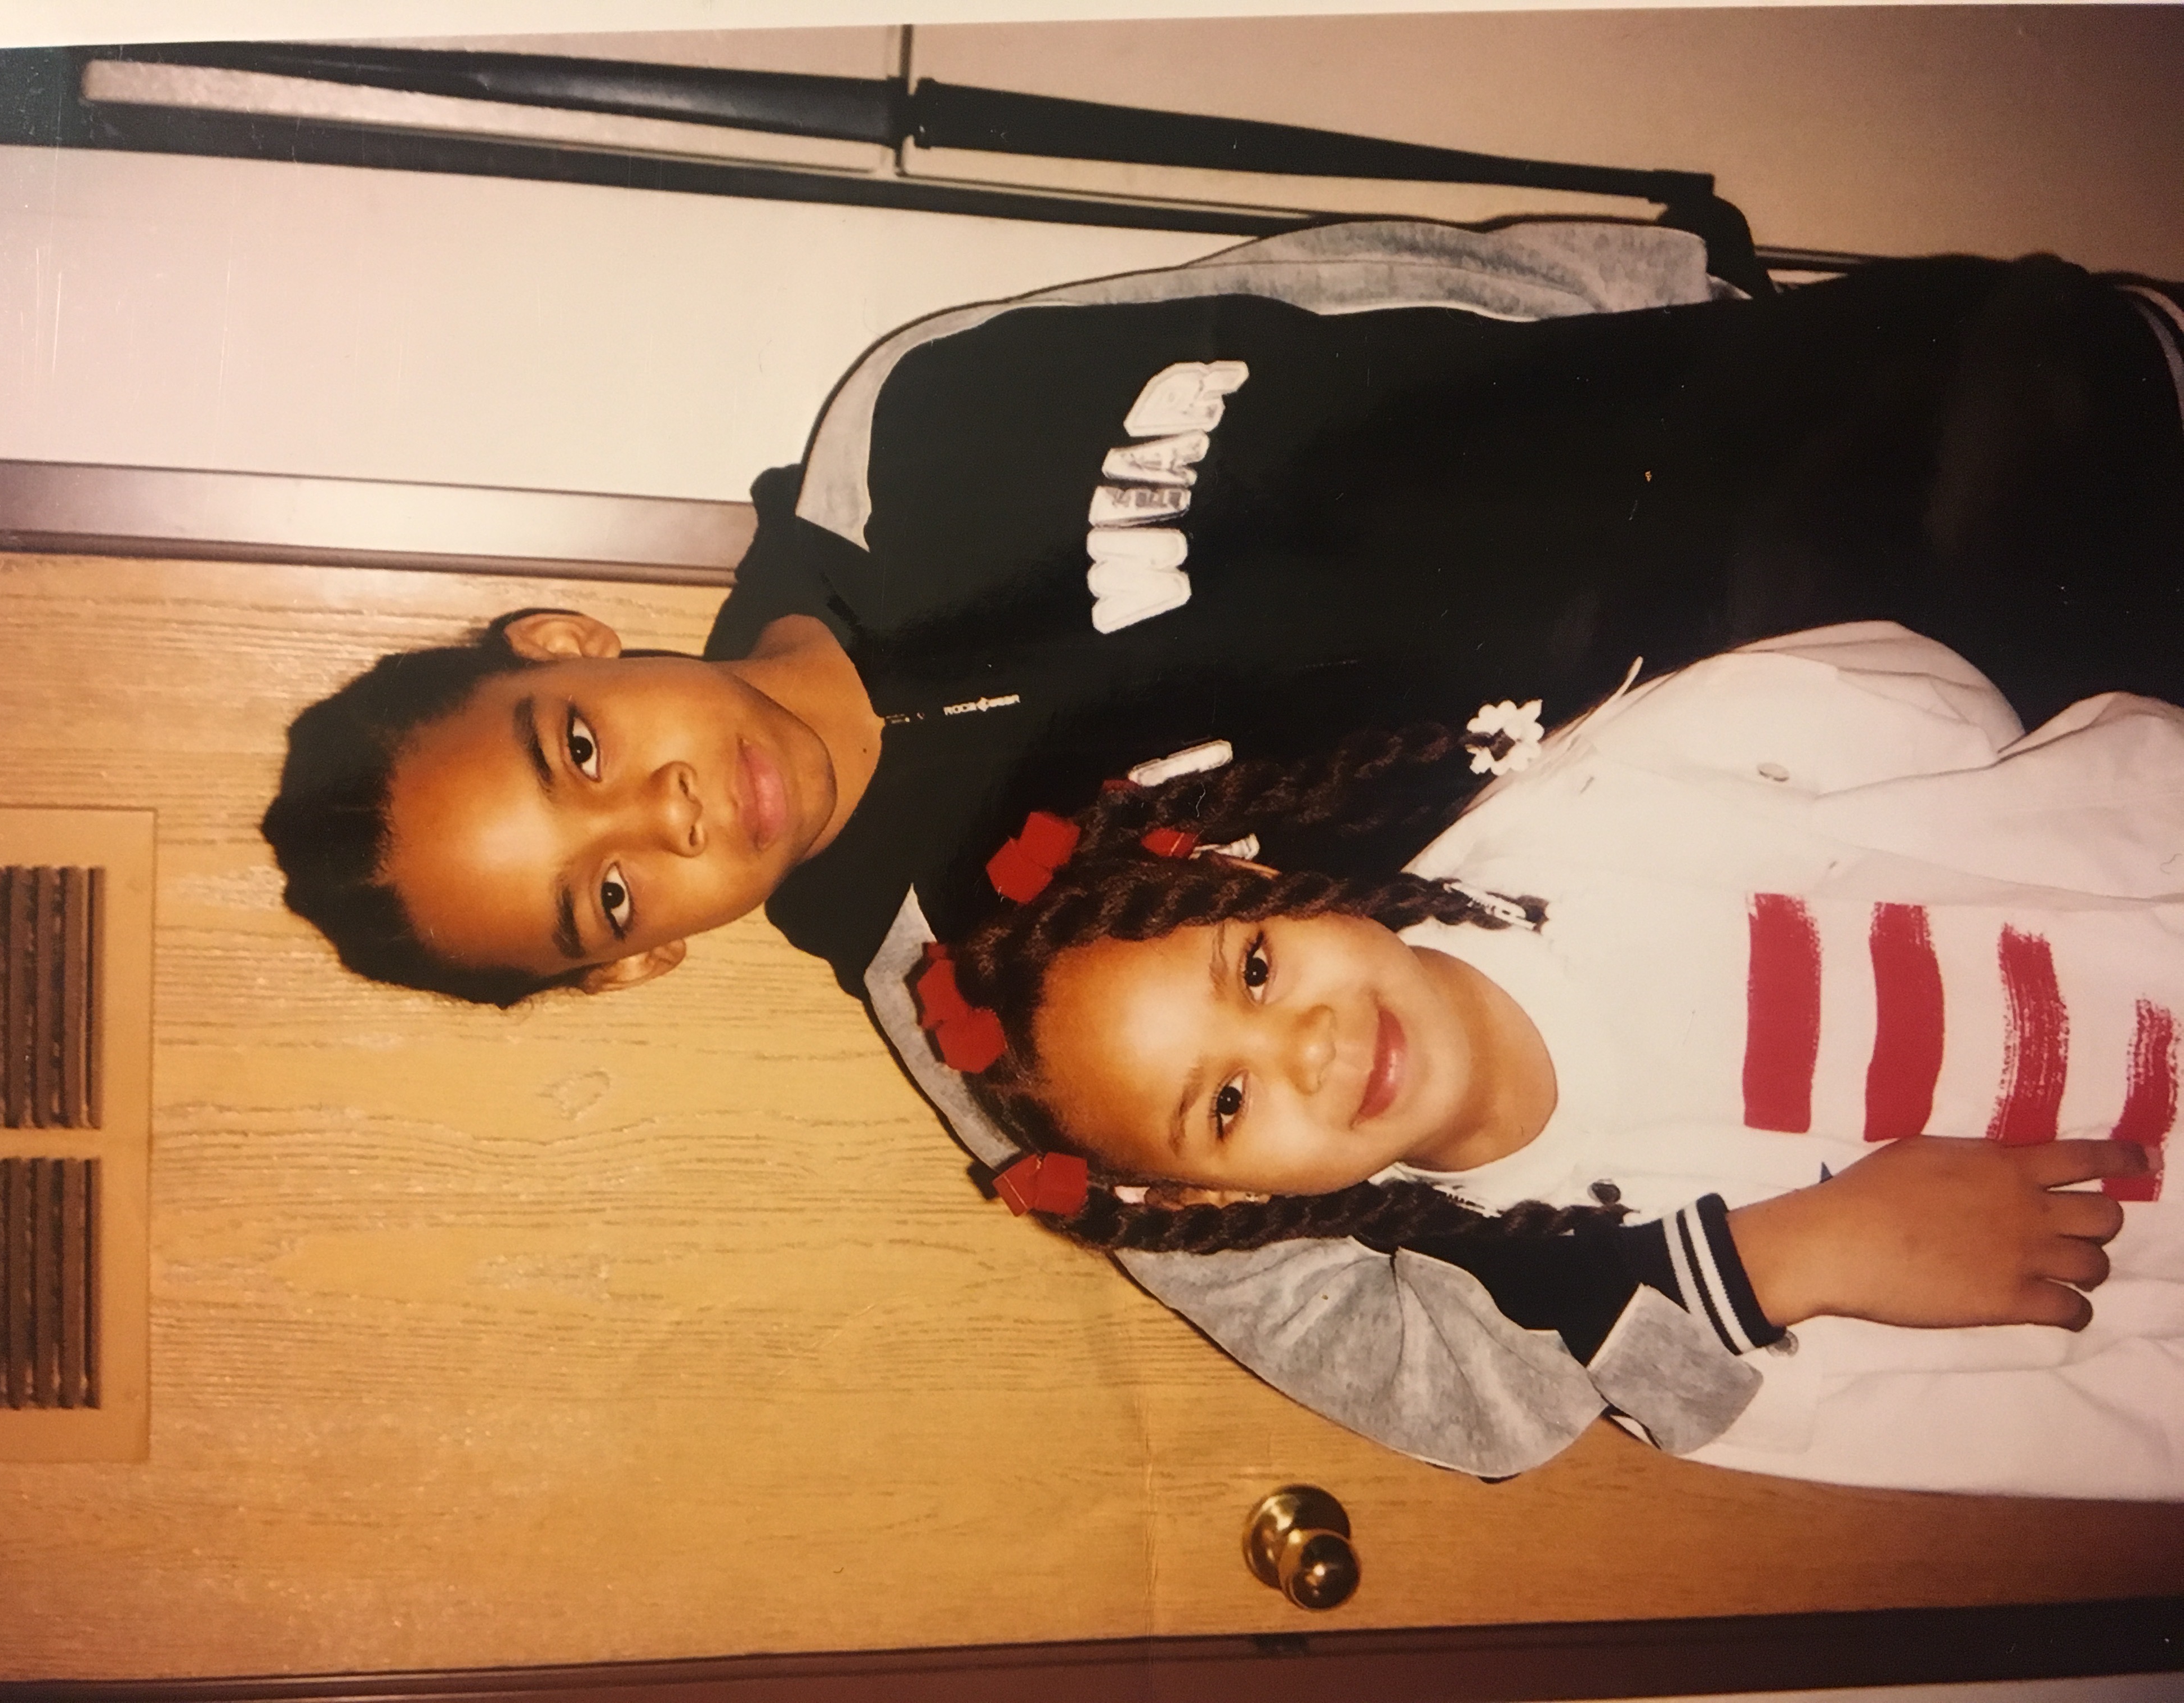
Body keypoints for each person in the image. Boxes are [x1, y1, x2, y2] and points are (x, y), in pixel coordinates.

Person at [263, 218, 2184, 1473]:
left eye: (578, 747)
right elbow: (1427, 1371)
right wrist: (1748, 1283)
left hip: (1839, 464)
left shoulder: (914, 421)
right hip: (1897, 858)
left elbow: (1349, 287)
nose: (668, 815)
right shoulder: (995, 1019)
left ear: (563, 647)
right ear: (634, 956)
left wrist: (1705, 305)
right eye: (605, 890)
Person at [905, 622, 2179, 1497]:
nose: (1310, 1045)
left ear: (1252, 876)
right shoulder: (1640, 1325)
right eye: (1227, 1103)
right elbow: (2091, 1425)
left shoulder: (1591, 810)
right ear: (1222, 1198)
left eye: (1252, 971)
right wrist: (1822, 1252)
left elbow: (1922, 698)